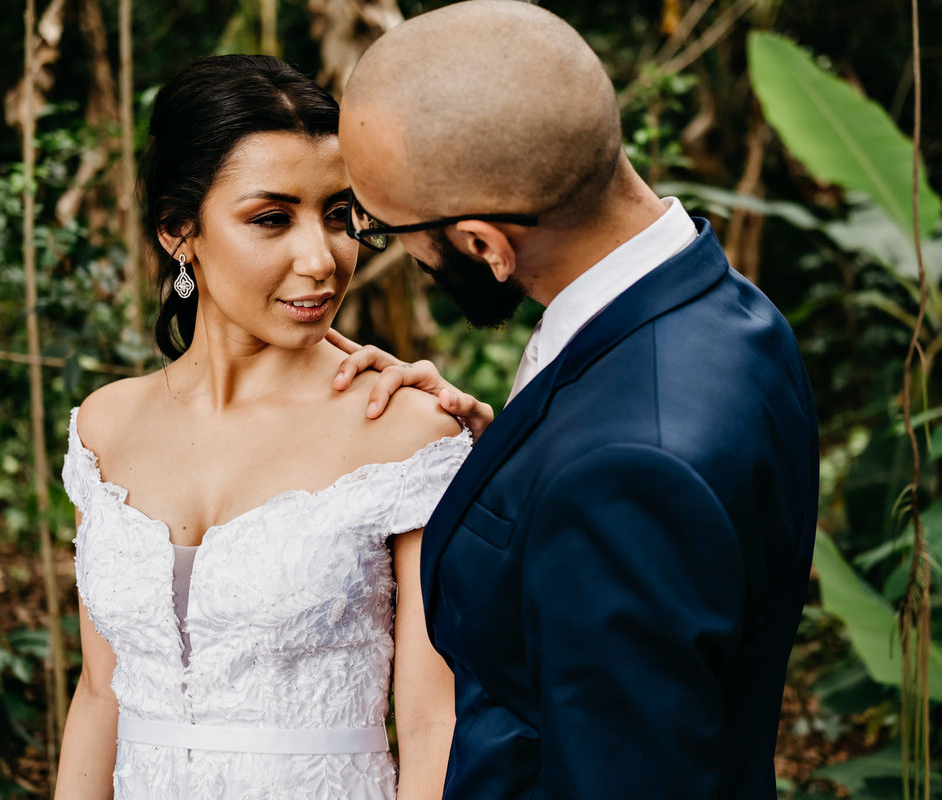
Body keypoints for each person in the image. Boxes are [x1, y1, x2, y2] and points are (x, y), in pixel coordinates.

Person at [335, 2, 821, 798]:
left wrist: (564, 472)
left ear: (486, 244)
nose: (392, 249)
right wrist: (510, 455)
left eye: (387, 228)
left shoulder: (624, 471)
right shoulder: (727, 309)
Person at [53, 54, 468, 800]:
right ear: (179, 232)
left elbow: (434, 721)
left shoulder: (406, 431)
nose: (321, 258)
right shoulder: (105, 427)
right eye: (272, 219)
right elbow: (98, 693)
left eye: (339, 215)